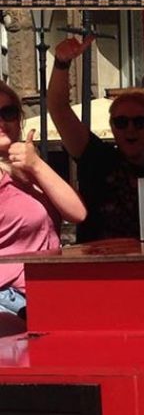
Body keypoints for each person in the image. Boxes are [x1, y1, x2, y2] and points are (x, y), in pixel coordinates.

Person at [47, 36, 144, 243]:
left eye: (139, 122)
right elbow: (59, 109)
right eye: (121, 122)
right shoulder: (97, 158)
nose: (130, 129)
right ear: (112, 127)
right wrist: (62, 63)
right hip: (102, 266)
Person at [0, 81, 86, 316]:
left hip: (44, 291)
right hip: (9, 299)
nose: (2, 121)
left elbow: (77, 212)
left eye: (8, 112)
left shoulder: (28, 167)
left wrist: (36, 165)